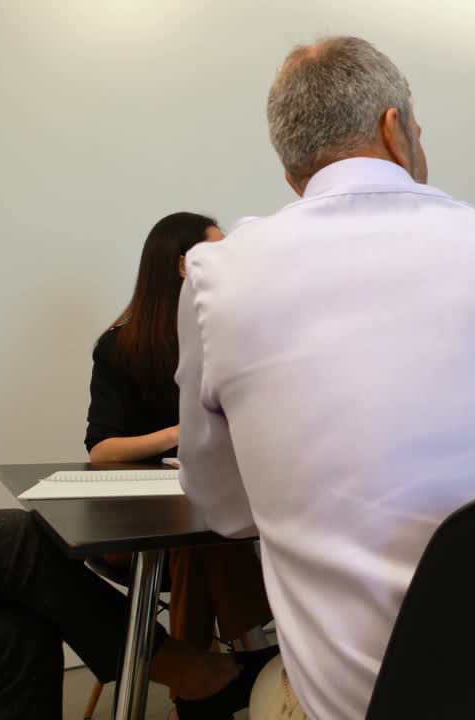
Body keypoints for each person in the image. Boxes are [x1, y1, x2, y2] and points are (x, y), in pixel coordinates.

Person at [175, 37, 475, 720]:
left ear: (293, 174)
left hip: (372, 706)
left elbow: (226, 512)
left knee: (255, 689)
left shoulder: (215, 278)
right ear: (395, 129)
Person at [85, 212, 275, 709]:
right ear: (183, 267)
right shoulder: (119, 346)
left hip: (201, 510)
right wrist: (179, 432)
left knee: (205, 527)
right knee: (204, 534)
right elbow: (102, 451)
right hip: (135, 523)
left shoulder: (223, 337)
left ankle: (203, 686)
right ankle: (253, 661)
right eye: (218, 252)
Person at [0, 509, 277, 720]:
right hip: (133, 521)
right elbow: (101, 451)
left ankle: (197, 676)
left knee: (18, 633)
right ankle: (189, 671)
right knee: (20, 535)